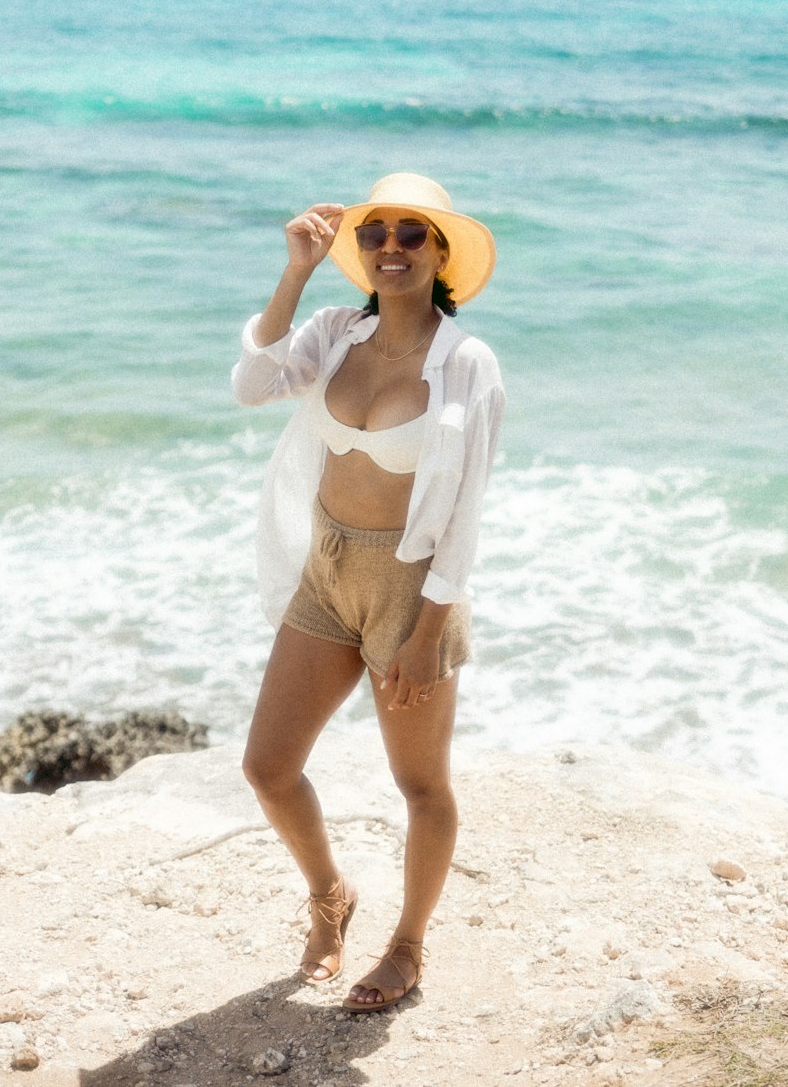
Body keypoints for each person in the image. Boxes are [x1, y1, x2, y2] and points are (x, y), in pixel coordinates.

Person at [233, 172, 504, 1012]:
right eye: (377, 232)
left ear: (442, 252)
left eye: (413, 233)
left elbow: (463, 512)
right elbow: (251, 384)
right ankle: (330, 898)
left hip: (411, 590)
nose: (392, 245)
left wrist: (425, 633)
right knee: (269, 768)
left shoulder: (466, 363)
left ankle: (408, 946)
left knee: (421, 786)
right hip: (326, 568)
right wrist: (296, 272)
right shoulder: (332, 332)